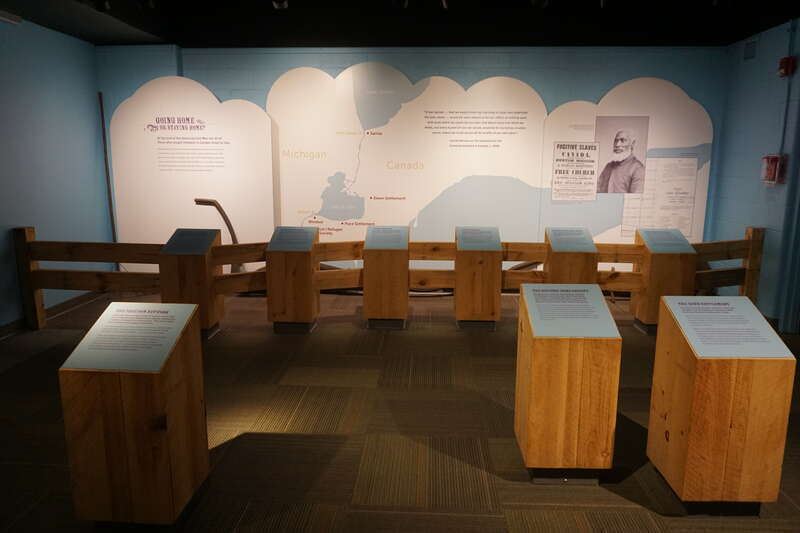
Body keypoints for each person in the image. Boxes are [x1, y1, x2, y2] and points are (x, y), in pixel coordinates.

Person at [596, 129, 645, 193]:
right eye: (616, 140)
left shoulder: (638, 169)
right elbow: (597, 191)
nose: (617, 144)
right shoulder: (608, 166)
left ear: (632, 144)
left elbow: (635, 199)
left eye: (622, 140)